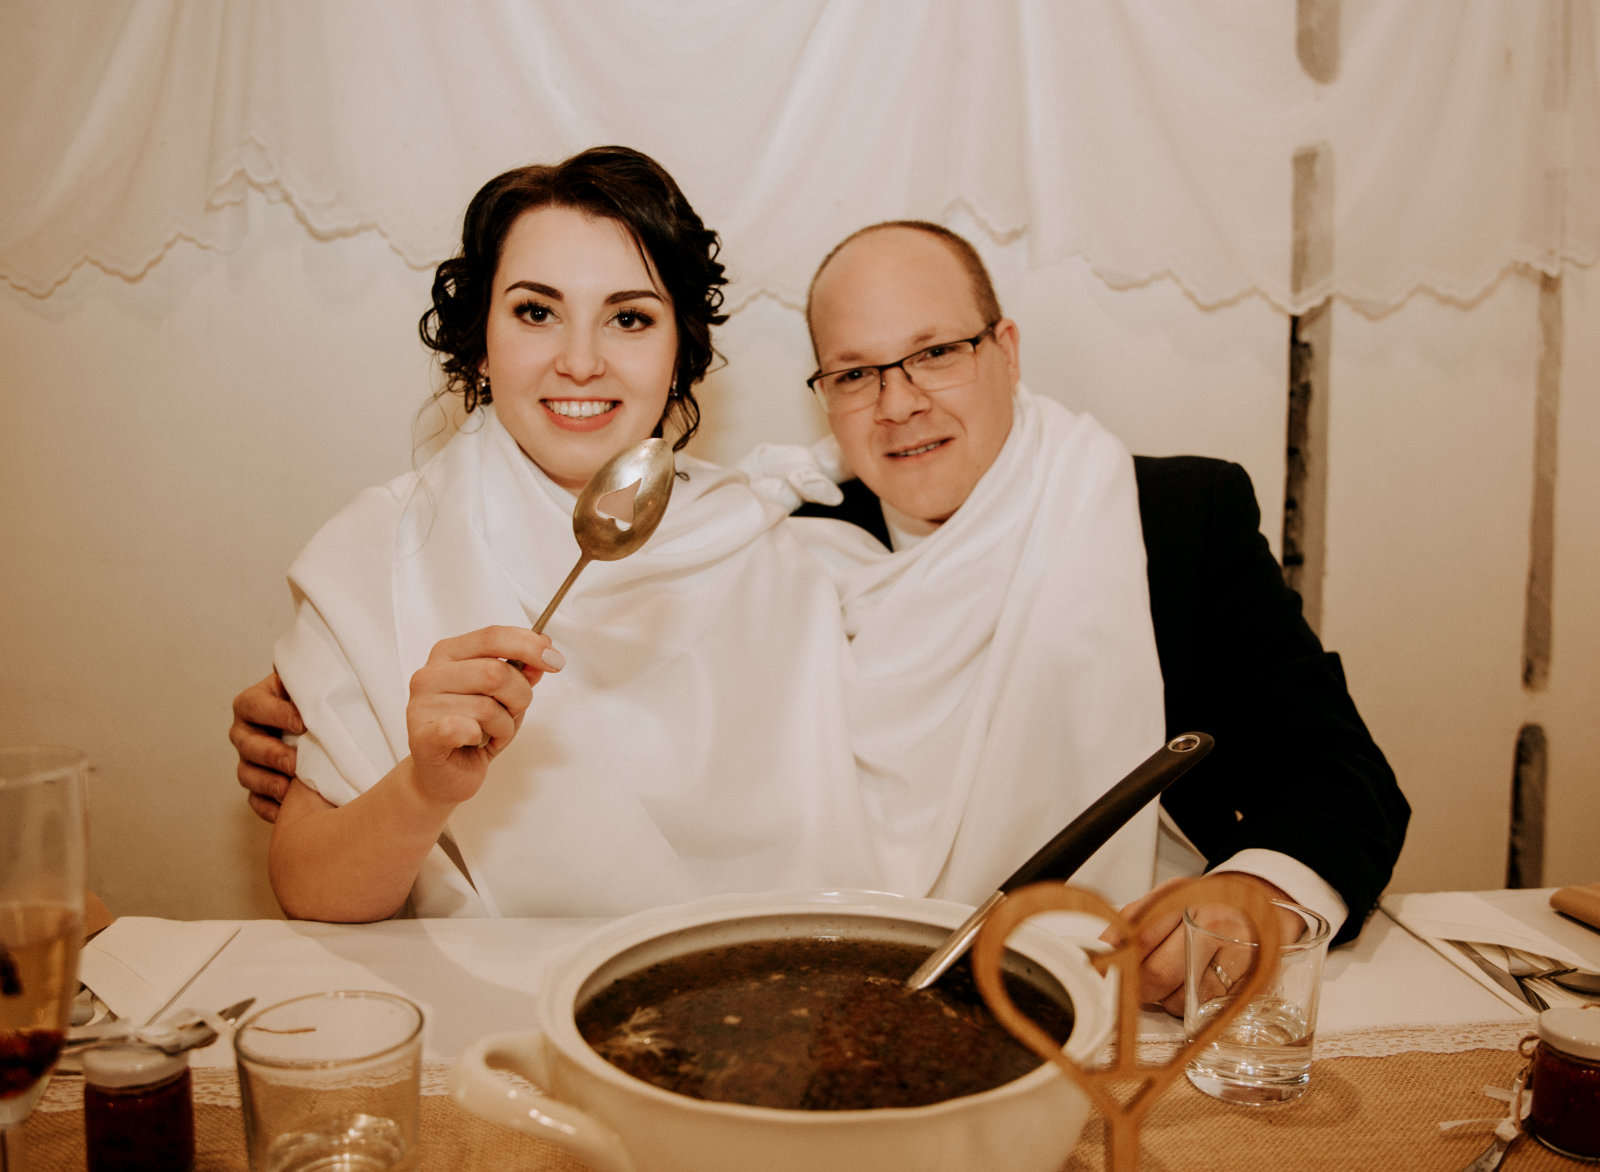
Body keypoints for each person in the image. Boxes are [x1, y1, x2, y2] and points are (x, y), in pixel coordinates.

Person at [788, 221, 1407, 1011]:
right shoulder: (788, 554)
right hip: (856, 993)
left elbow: (1340, 777)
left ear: (1006, 351)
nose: (899, 404)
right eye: (854, 374)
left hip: (1139, 994)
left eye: (936, 352)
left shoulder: (1176, 519)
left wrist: (1256, 897)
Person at [259, 146, 883, 922]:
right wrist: (425, 788)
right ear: (480, 344)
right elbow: (309, 892)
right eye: (536, 312)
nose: (581, 362)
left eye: (629, 318)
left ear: (680, 354)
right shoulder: (374, 553)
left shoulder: (773, 553)